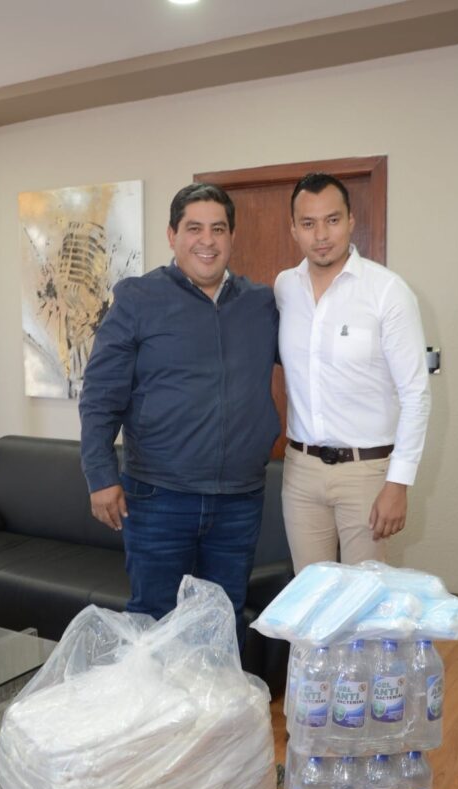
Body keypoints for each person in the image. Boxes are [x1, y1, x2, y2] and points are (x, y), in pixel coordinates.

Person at [79, 182, 280, 649]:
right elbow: (100, 395)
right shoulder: (138, 299)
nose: (207, 240)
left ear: (232, 237)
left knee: (220, 625)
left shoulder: (260, 304)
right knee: (154, 627)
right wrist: (99, 476)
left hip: (238, 500)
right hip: (158, 499)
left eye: (218, 229)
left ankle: (214, 703)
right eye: (194, 228)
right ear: (172, 235)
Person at [274, 172, 431, 573]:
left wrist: (398, 484)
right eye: (308, 223)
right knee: (310, 597)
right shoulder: (285, 288)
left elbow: (416, 395)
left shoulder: (387, 291)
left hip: (367, 473)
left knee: (366, 600)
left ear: (350, 221)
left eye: (332, 220)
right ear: (294, 229)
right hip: (301, 472)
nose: (321, 235)